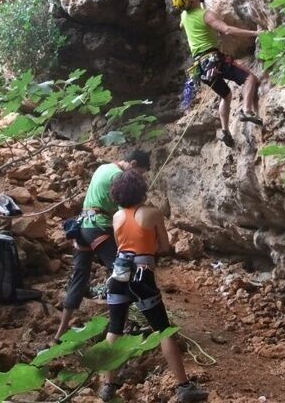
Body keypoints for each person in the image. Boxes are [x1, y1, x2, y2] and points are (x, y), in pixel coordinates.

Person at [100, 170, 208, 403]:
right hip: (142, 276)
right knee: (162, 329)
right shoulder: (152, 213)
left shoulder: (117, 217)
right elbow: (164, 246)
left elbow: (121, 246)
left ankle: (107, 386)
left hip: (118, 274)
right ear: (141, 189)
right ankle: (183, 387)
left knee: (114, 328)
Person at [54, 149, 151, 342]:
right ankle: (129, 323)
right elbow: (126, 211)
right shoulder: (119, 176)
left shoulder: (103, 167)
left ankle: (61, 331)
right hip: (98, 227)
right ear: (132, 164)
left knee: (79, 278)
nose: (138, 177)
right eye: (139, 172)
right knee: (123, 272)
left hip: (83, 226)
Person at [172, 0, 262, 147]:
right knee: (250, 78)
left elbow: (184, 23)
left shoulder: (184, 17)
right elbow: (226, 30)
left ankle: (225, 131)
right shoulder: (205, 15)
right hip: (215, 60)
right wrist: (256, 33)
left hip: (201, 68)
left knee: (226, 95)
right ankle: (247, 110)